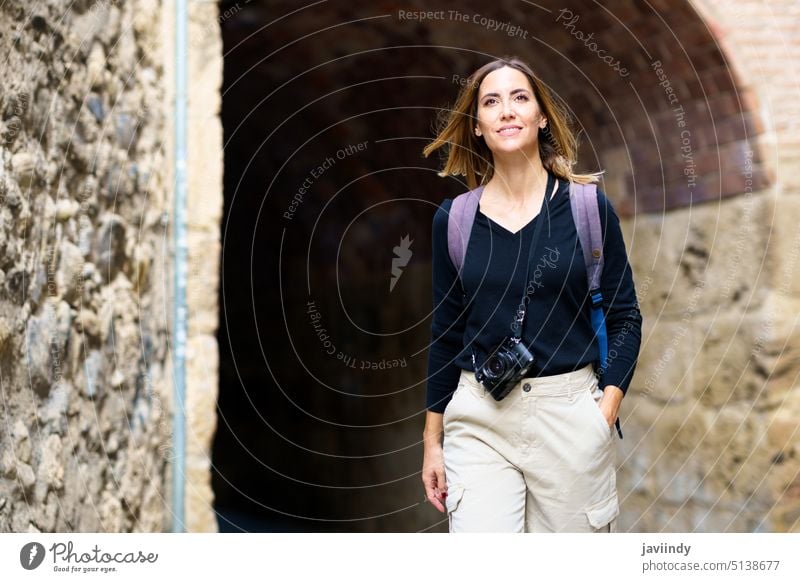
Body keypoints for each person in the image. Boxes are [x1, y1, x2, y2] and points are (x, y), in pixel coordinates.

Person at [420, 55, 643, 533]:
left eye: (519, 98)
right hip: (480, 415)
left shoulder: (586, 208)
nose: (506, 110)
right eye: (491, 101)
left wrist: (603, 411)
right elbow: (446, 331)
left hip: (570, 417)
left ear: (541, 116)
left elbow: (625, 316)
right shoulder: (455, 221)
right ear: (477, 125)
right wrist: (432, 439)